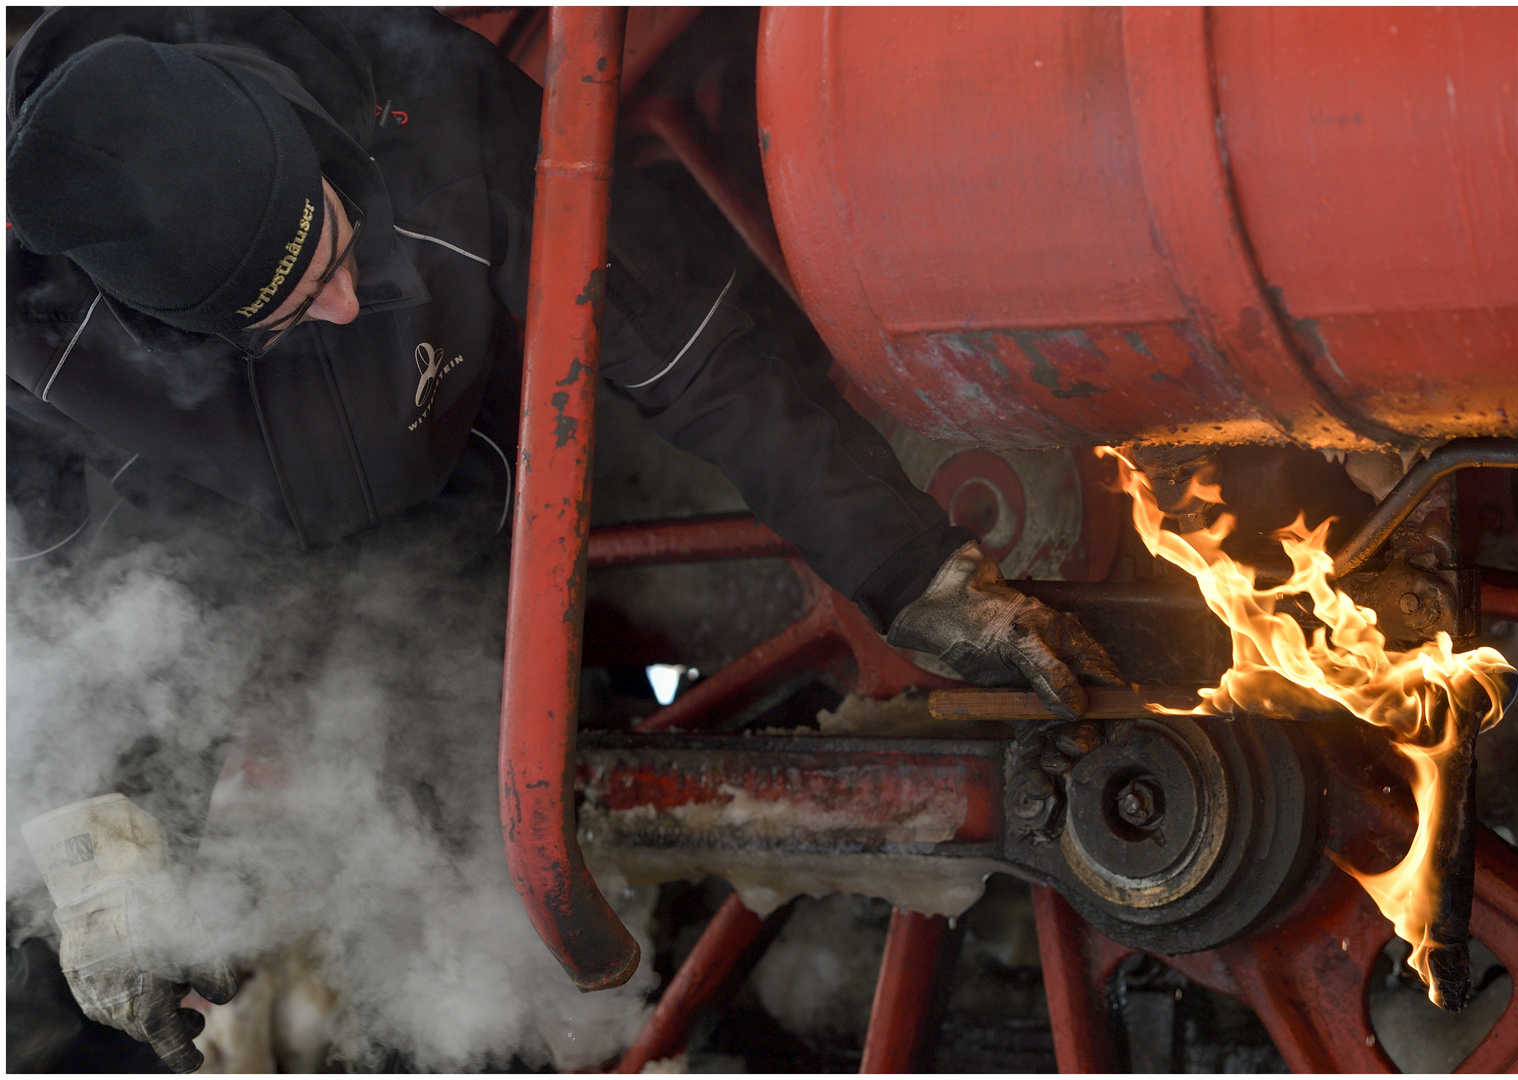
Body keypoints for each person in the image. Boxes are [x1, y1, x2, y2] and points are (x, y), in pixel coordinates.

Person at [6, 9, 1122, 1071]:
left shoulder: (434, 109)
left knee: (459, 950)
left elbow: (696, 355)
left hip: (448, 530)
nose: (349, 304)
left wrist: (911, 572)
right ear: (160, 323)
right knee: (68, 976)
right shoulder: (29, 329)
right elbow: (57, 598)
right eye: (297, 303)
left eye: (341, 243)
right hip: (188, 578)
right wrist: (102, 852)